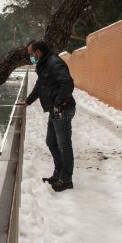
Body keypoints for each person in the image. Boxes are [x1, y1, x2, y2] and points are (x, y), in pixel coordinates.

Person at [16, 40, 76, 192]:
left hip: (62, 109)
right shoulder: (44, 64)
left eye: (31, 54)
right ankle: (58, 174)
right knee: (51, 142)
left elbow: (67, 83)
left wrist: (58, 104)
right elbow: (40, 85)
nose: (30, 57)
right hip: (55, 110)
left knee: (64, 146)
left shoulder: (54, 63)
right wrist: (28, 101)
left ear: (38, 52)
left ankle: (66, 180)